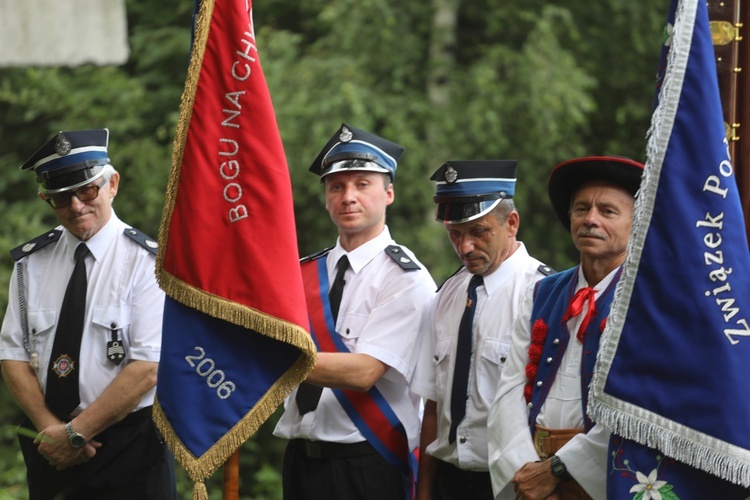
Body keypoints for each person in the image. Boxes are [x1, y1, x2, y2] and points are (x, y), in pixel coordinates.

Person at [0, 129, 176, 499]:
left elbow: (148, 366)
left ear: (112, 184)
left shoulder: (149, 263)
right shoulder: (31, 264)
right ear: (44, 198)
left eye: (87, 190)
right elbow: (13, 356)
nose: (76, 205)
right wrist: (55, 433)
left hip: (131, 448)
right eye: (62, 196)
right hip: (49, 447)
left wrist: (76, 433)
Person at [273, 123, 437, 499]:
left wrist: (269, 353)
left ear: (389, 193)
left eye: (362, 184)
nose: (348, 196)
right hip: (300, 459)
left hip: (367, 463)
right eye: (337, 186)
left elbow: (365, 372)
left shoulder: (406, 279)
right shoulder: (299, 272)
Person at [487, 155, 644, 500]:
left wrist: (560, 469)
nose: (591, 219)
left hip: (605, 479)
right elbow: (509, 393)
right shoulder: (543, 292)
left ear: (638, 222)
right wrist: (528, 477)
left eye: (608, 211)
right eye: (581, 209)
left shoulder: (648, 300)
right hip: (532, 476)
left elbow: (638, 408)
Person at [411, 160, 553, 500]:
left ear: (512, 223)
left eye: (479, 231)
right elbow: (433, 404)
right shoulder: (447, 295)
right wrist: (425, 490)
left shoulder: (542, 294)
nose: (464, 247)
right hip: (449, 479)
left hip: (512, 481)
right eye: (454, 234)